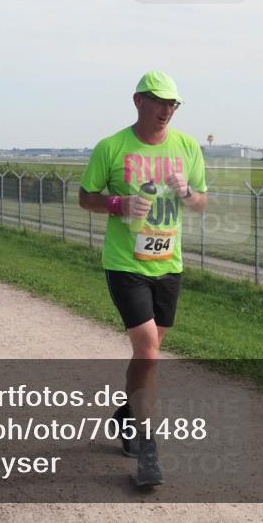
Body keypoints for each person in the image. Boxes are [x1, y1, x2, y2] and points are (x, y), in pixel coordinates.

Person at [78, 71, 207, 487]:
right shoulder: (112, 147)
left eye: (173, 103)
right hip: (125, 264)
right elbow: (85, 197)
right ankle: (148, 451)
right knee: (149, 351)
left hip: (169, 265)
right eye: (159, 102)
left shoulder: (187, 147)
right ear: (139, 101)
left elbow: (201, 202)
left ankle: (127, 415)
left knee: (147, 355)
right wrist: (117, 203)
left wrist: (187, 193)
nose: (167, 110)